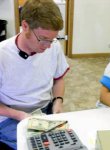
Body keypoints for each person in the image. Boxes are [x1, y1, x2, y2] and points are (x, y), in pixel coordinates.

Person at [0, 0, 69, 149]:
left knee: (66, 143)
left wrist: (58, 101)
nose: (48, 46)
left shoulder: (53, 46)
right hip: (9, 116)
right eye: (43, 39)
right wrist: (19, 115)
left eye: (52, 39)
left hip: (45, 110)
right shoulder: (2, 54)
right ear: (25, 26)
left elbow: (58, 79)